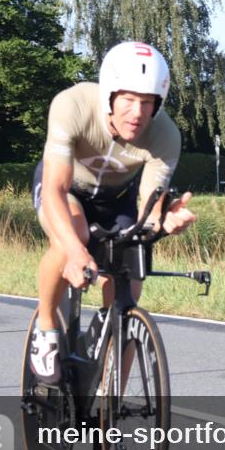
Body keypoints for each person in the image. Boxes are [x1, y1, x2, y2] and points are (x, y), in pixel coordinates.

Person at [29, 41, 196, 384]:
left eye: (147, 102)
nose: (137, 113)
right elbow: (55, 190)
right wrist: (75, 251)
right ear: (109, 95)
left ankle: (111, 390)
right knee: (72, 238)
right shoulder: (72, 105)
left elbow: (149, 208)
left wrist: (164, 222)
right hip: (66, 190)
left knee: (129, 283)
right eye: (129, 100)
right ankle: (45, 328)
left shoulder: (165, 135)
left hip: (116, 199)